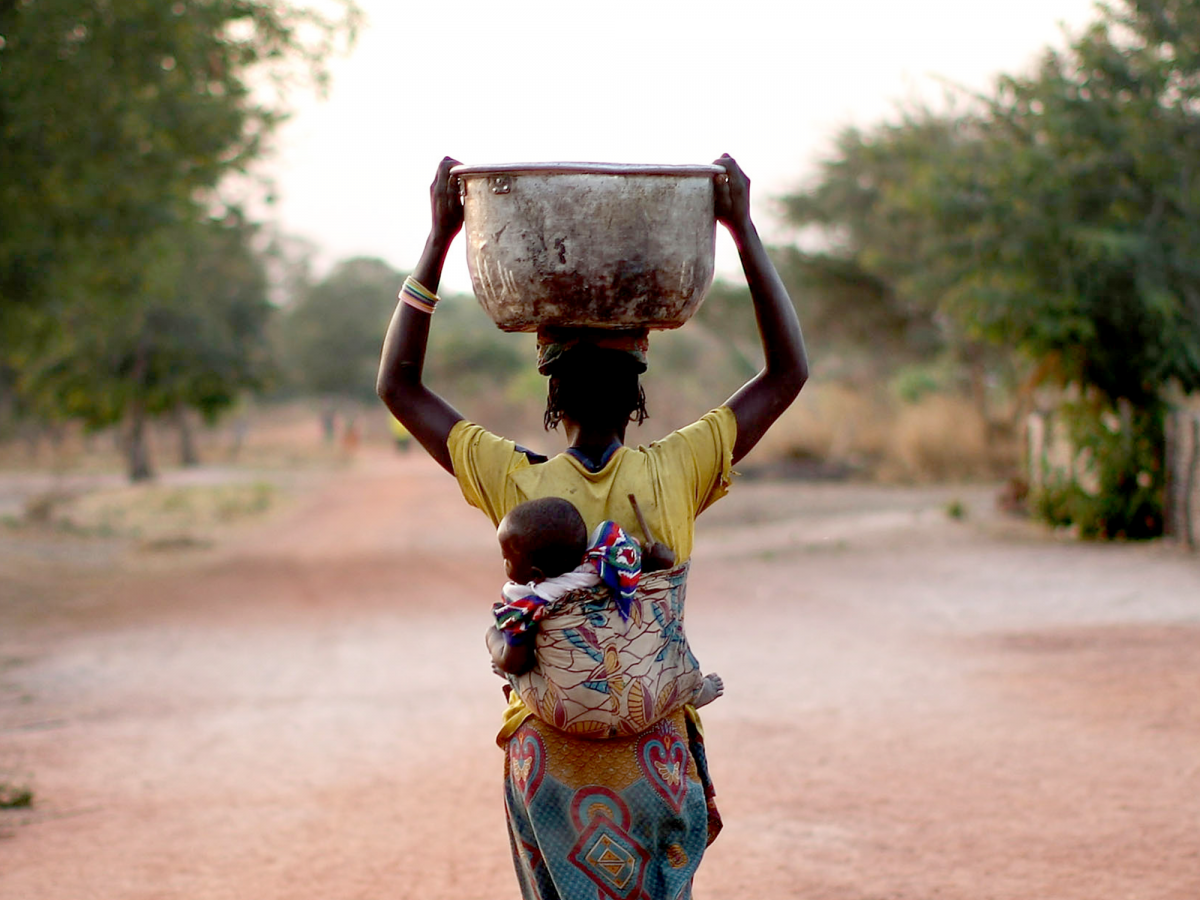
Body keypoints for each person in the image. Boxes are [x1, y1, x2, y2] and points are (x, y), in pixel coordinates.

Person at [377, 154, 807, 900]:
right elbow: (786, 373)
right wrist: (744, 231)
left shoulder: (514, 478)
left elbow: (399, 385)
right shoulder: (679, 468)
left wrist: (440, 236)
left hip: (550, 763)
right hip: (654, 758)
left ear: (553, 394)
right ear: (637, 394)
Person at [485, 496, 725, 736]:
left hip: (570, 714)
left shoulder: (527, 605)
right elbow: (641, 584)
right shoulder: (605, 567)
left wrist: (493, 637)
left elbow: (516, 662)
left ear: (535, 574)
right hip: (645, 700)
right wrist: (658, 563)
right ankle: (687, 691)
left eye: (507, 559)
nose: (504, 563)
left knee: (509, 665)